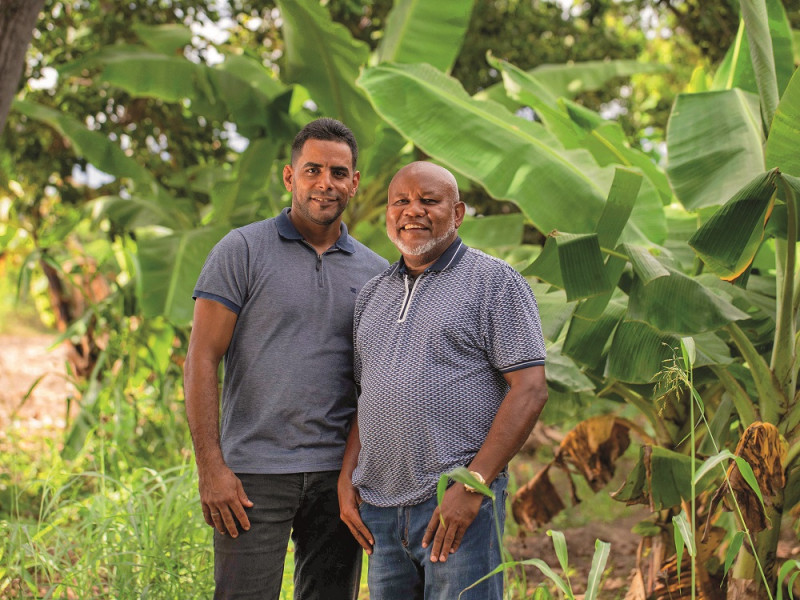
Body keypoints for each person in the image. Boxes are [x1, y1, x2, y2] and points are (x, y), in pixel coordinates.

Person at [184, 117, 389, 599]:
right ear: (289, 176)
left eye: (339, 173)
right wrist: (211, 467)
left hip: (338, 479)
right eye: (312, 170)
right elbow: (200, 360)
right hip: (252, 474)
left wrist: (357, 473)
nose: (325, 183)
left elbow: (372, 384)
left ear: (354, 182)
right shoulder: (241, 251)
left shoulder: (376, 272)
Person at [338, 161, 548, 600]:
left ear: (457, 213)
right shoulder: (373, 295)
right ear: (388, 214)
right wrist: (346, 478)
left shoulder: (494, 282)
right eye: (402, 202)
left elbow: (529, 389)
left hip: (454, 503)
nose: (413, 211)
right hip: (378, 507)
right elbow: (368, 397)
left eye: (429, 201)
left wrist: (473, 486)